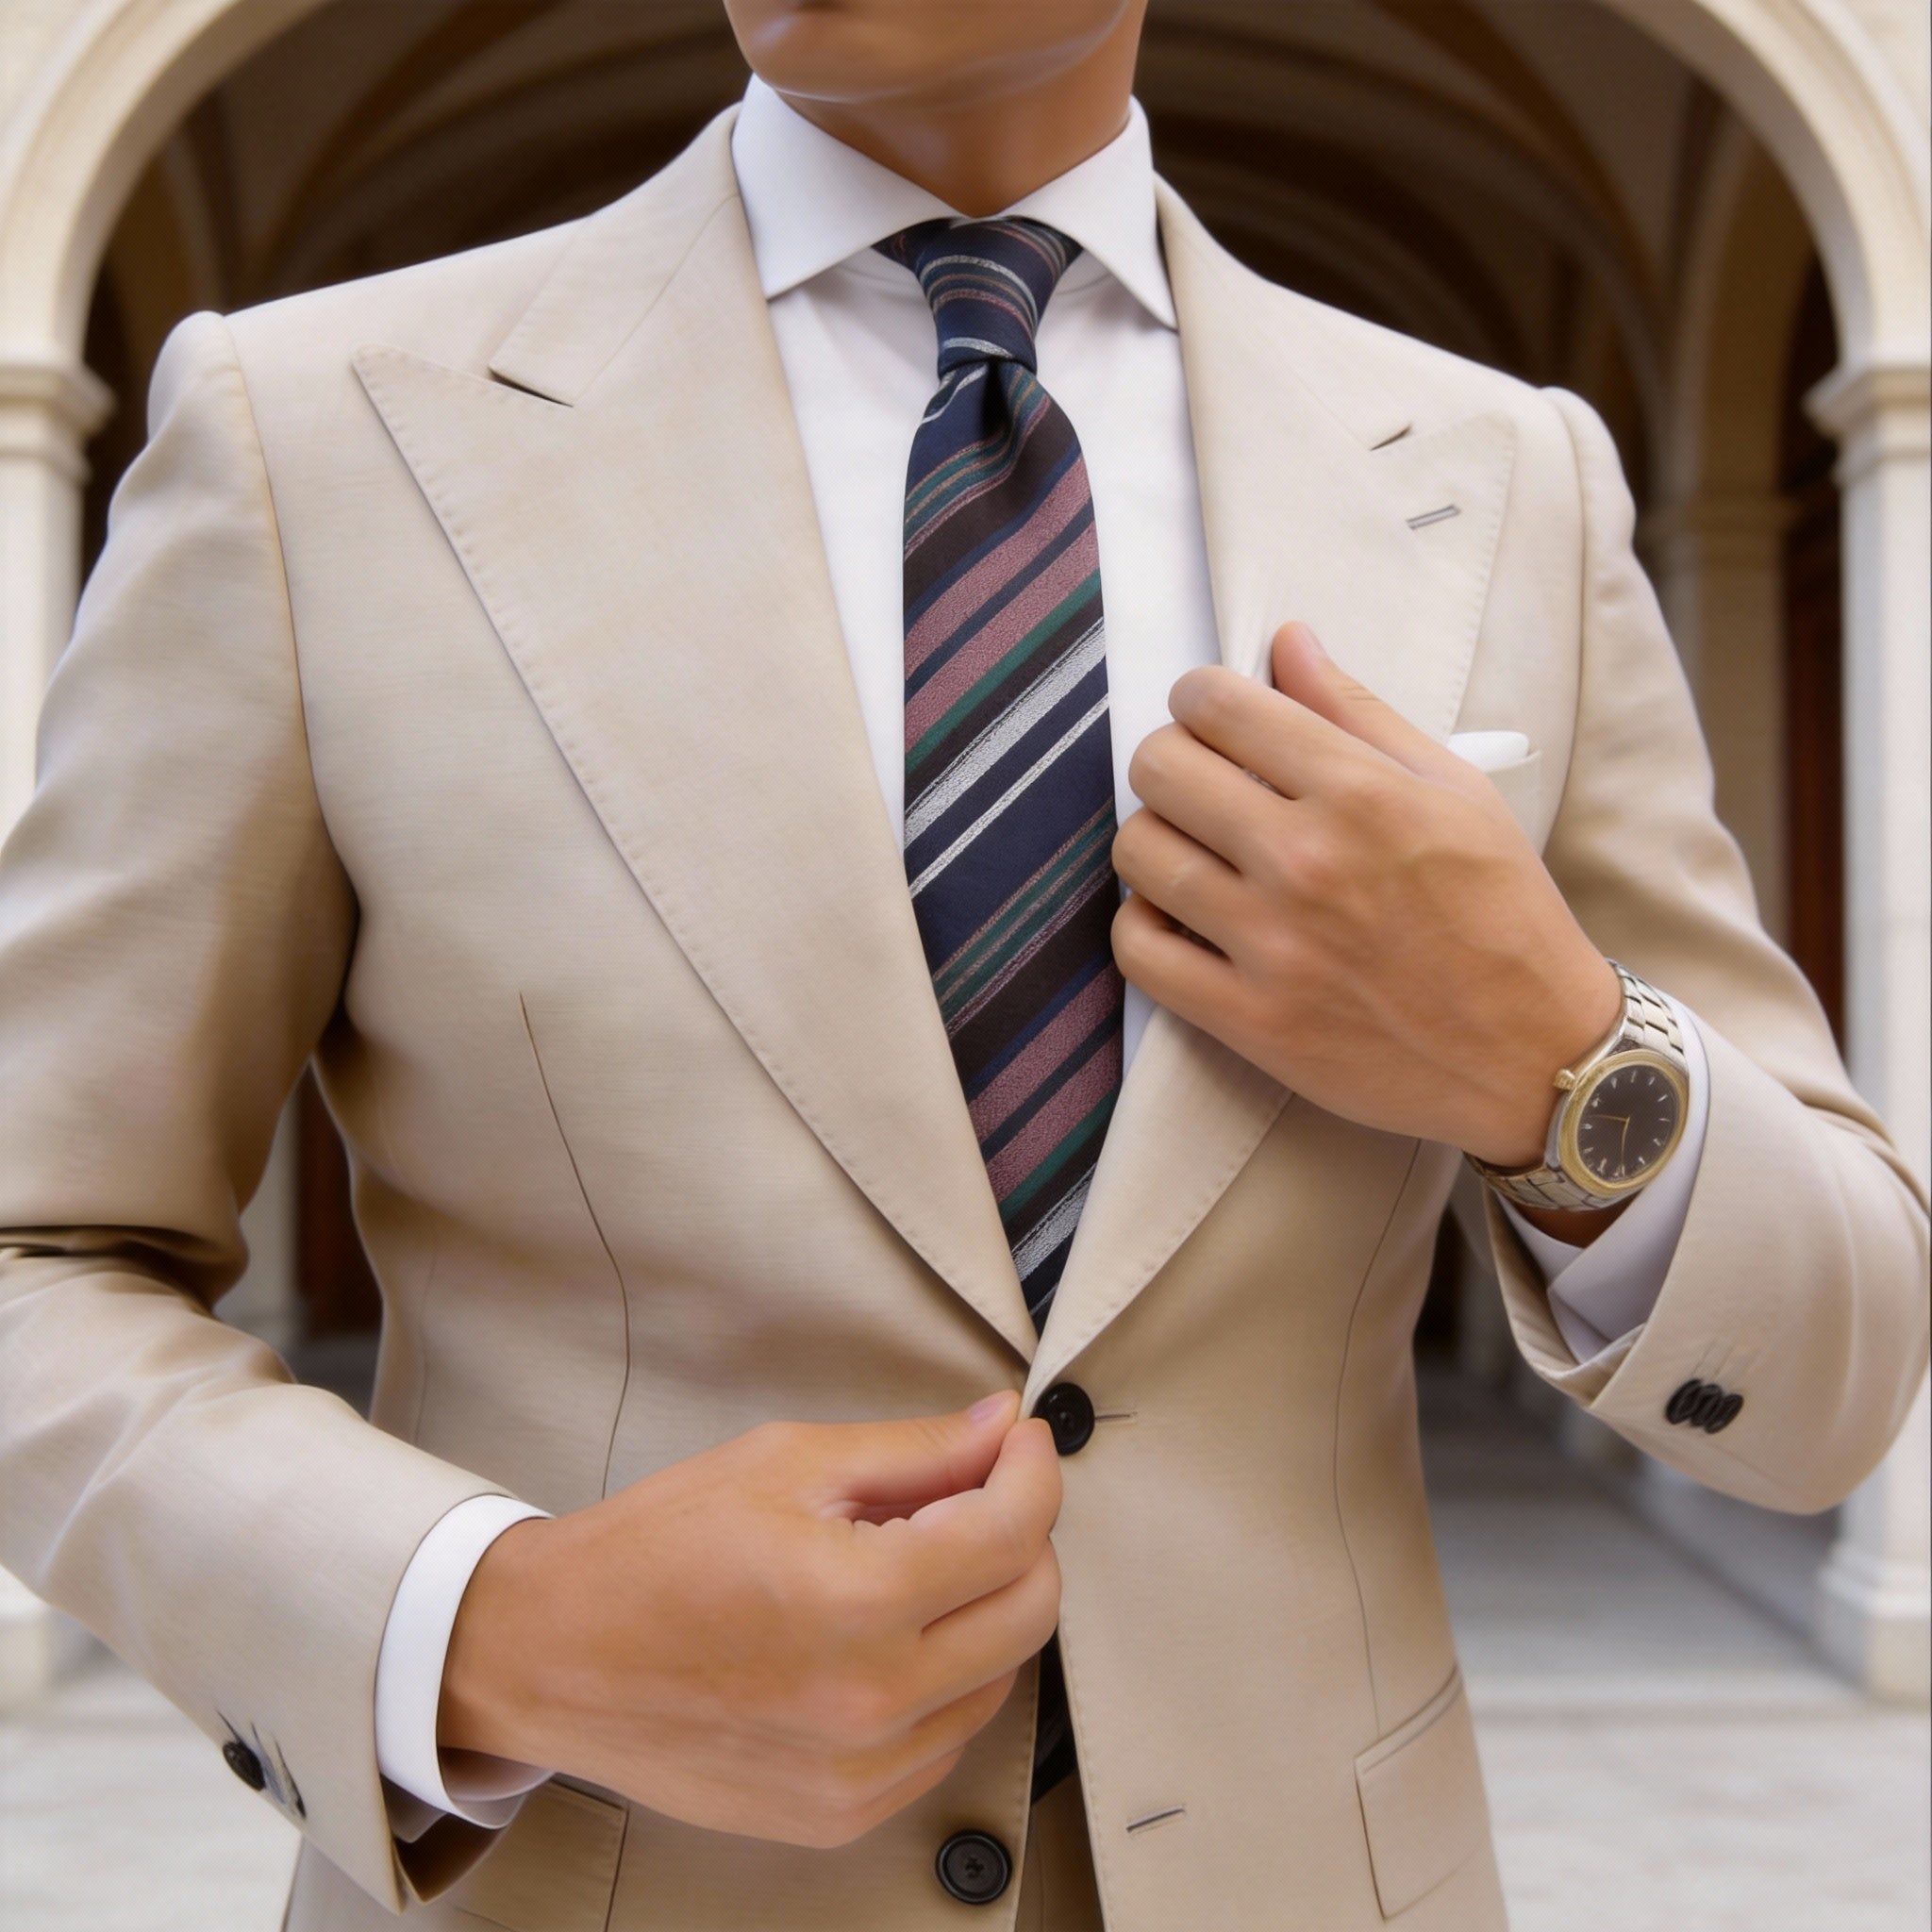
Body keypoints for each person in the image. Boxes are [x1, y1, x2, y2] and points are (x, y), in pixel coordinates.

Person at [0, 1, 1924, 1926]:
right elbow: (36, 1251)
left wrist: (1556, 1062)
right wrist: (485, 1625)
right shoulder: (311, 433)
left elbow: (1835, 1372)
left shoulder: (1509, 477)